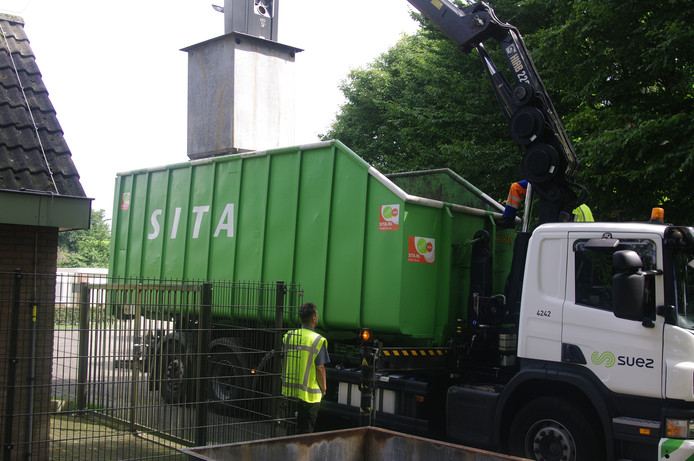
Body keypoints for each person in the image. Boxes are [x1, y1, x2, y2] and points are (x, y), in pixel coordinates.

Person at [282, 302, 330, 434]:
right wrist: (324, 388)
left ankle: (289, 453)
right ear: (314, 318)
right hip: (309, 397)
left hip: (290, 392)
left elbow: (283, 360)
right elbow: (320, 368)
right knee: (305, 432)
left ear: (300, 318)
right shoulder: (317, 340)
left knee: (290, 430)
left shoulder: (289, 336)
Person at [497, 180, 594, 227]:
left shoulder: (561, 206)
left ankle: (508, 219)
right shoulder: (585, 208)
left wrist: (508, 219)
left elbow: (516, 187)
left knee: (516, 187)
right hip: (579, 248)